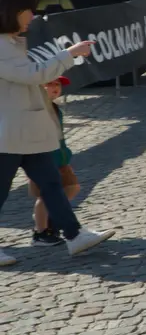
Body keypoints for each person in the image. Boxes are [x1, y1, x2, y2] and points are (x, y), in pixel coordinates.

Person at [0, 0, 112, 263]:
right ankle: (73, 235)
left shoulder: (10, 42)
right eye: (29, 11)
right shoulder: (2, 45)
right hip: (9, 132)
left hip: (23, 131)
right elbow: (32, 74)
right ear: (13, 13)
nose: (33, 17)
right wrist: (70, 54)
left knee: (52, 183)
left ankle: (74, 235)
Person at [28, 78, 78, 247]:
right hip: (43, 159)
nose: (55, 88)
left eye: (58, 84)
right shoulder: (38, 109)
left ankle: (52, 221)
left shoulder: (54, 108)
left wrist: (65, 158)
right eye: (50, 84)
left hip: (59, 159)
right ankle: (40, 231)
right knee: (45, 196)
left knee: (71, 187)